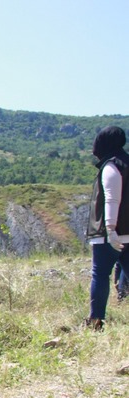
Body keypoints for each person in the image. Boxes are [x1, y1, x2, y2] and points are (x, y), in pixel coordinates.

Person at [84, 126, 129, 330]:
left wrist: (110, 230)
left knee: (100, 275)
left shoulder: (112, 166)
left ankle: (96, 320)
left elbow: (111, 199)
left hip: (110, 235)